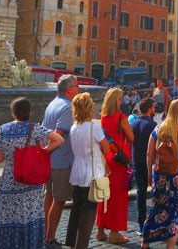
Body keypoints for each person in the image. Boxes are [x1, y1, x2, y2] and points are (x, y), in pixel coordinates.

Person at [0, 97, 63, 248]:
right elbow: (58, 140)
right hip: (30, 181)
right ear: (29, 112)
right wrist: (42, 153)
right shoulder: (35, 129)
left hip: (10, 180)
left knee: (6, 216)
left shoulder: (3, 129)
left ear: (13, 113)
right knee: (29, 215)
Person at [142, 99, 178, 249]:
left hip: (160, 173)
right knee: (176, 212)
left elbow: (149, 153)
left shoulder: (159, 128)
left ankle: (145, 242)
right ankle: (170, 246)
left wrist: (149, 173)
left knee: (157, 207)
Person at [66, 92, 109, 249]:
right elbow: (106, 148)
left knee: (76, 209)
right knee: (88, 212)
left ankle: (71, 242)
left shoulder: (73, 127)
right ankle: (81, 245)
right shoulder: (94, 127)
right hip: (92, 173)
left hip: (77, 171)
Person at [42, 75, 80, 249]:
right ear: (68, 89)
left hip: (51, 160)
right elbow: (58, 134)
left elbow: (44, 132)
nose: (78, 89)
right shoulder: (67, 107)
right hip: (61, 160)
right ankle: (50, 238)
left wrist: (44, 152)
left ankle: (45, 234)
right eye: (76, 86)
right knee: (58, 201)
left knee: (49, 197)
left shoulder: (53, 103)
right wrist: (46, 150)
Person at [96, 88, 134, 245]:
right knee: (118, 197)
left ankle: (100, 230)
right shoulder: (121, 117)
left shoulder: (102, 118)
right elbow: (131, 137)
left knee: (104, 194)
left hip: (106, 157)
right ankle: (114, 232)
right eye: (120, 99)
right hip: (120, 160)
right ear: (115, 100)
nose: (122, 101)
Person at [131, 98, 158, 235]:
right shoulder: (153, 125)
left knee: (140, 193)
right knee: (156, 193)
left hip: (137, 161)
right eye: (153, 107)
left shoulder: (133, 124)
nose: (155, 108)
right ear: (149, 109)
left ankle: (141, 224)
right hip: (151, 163)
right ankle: (154, 223)